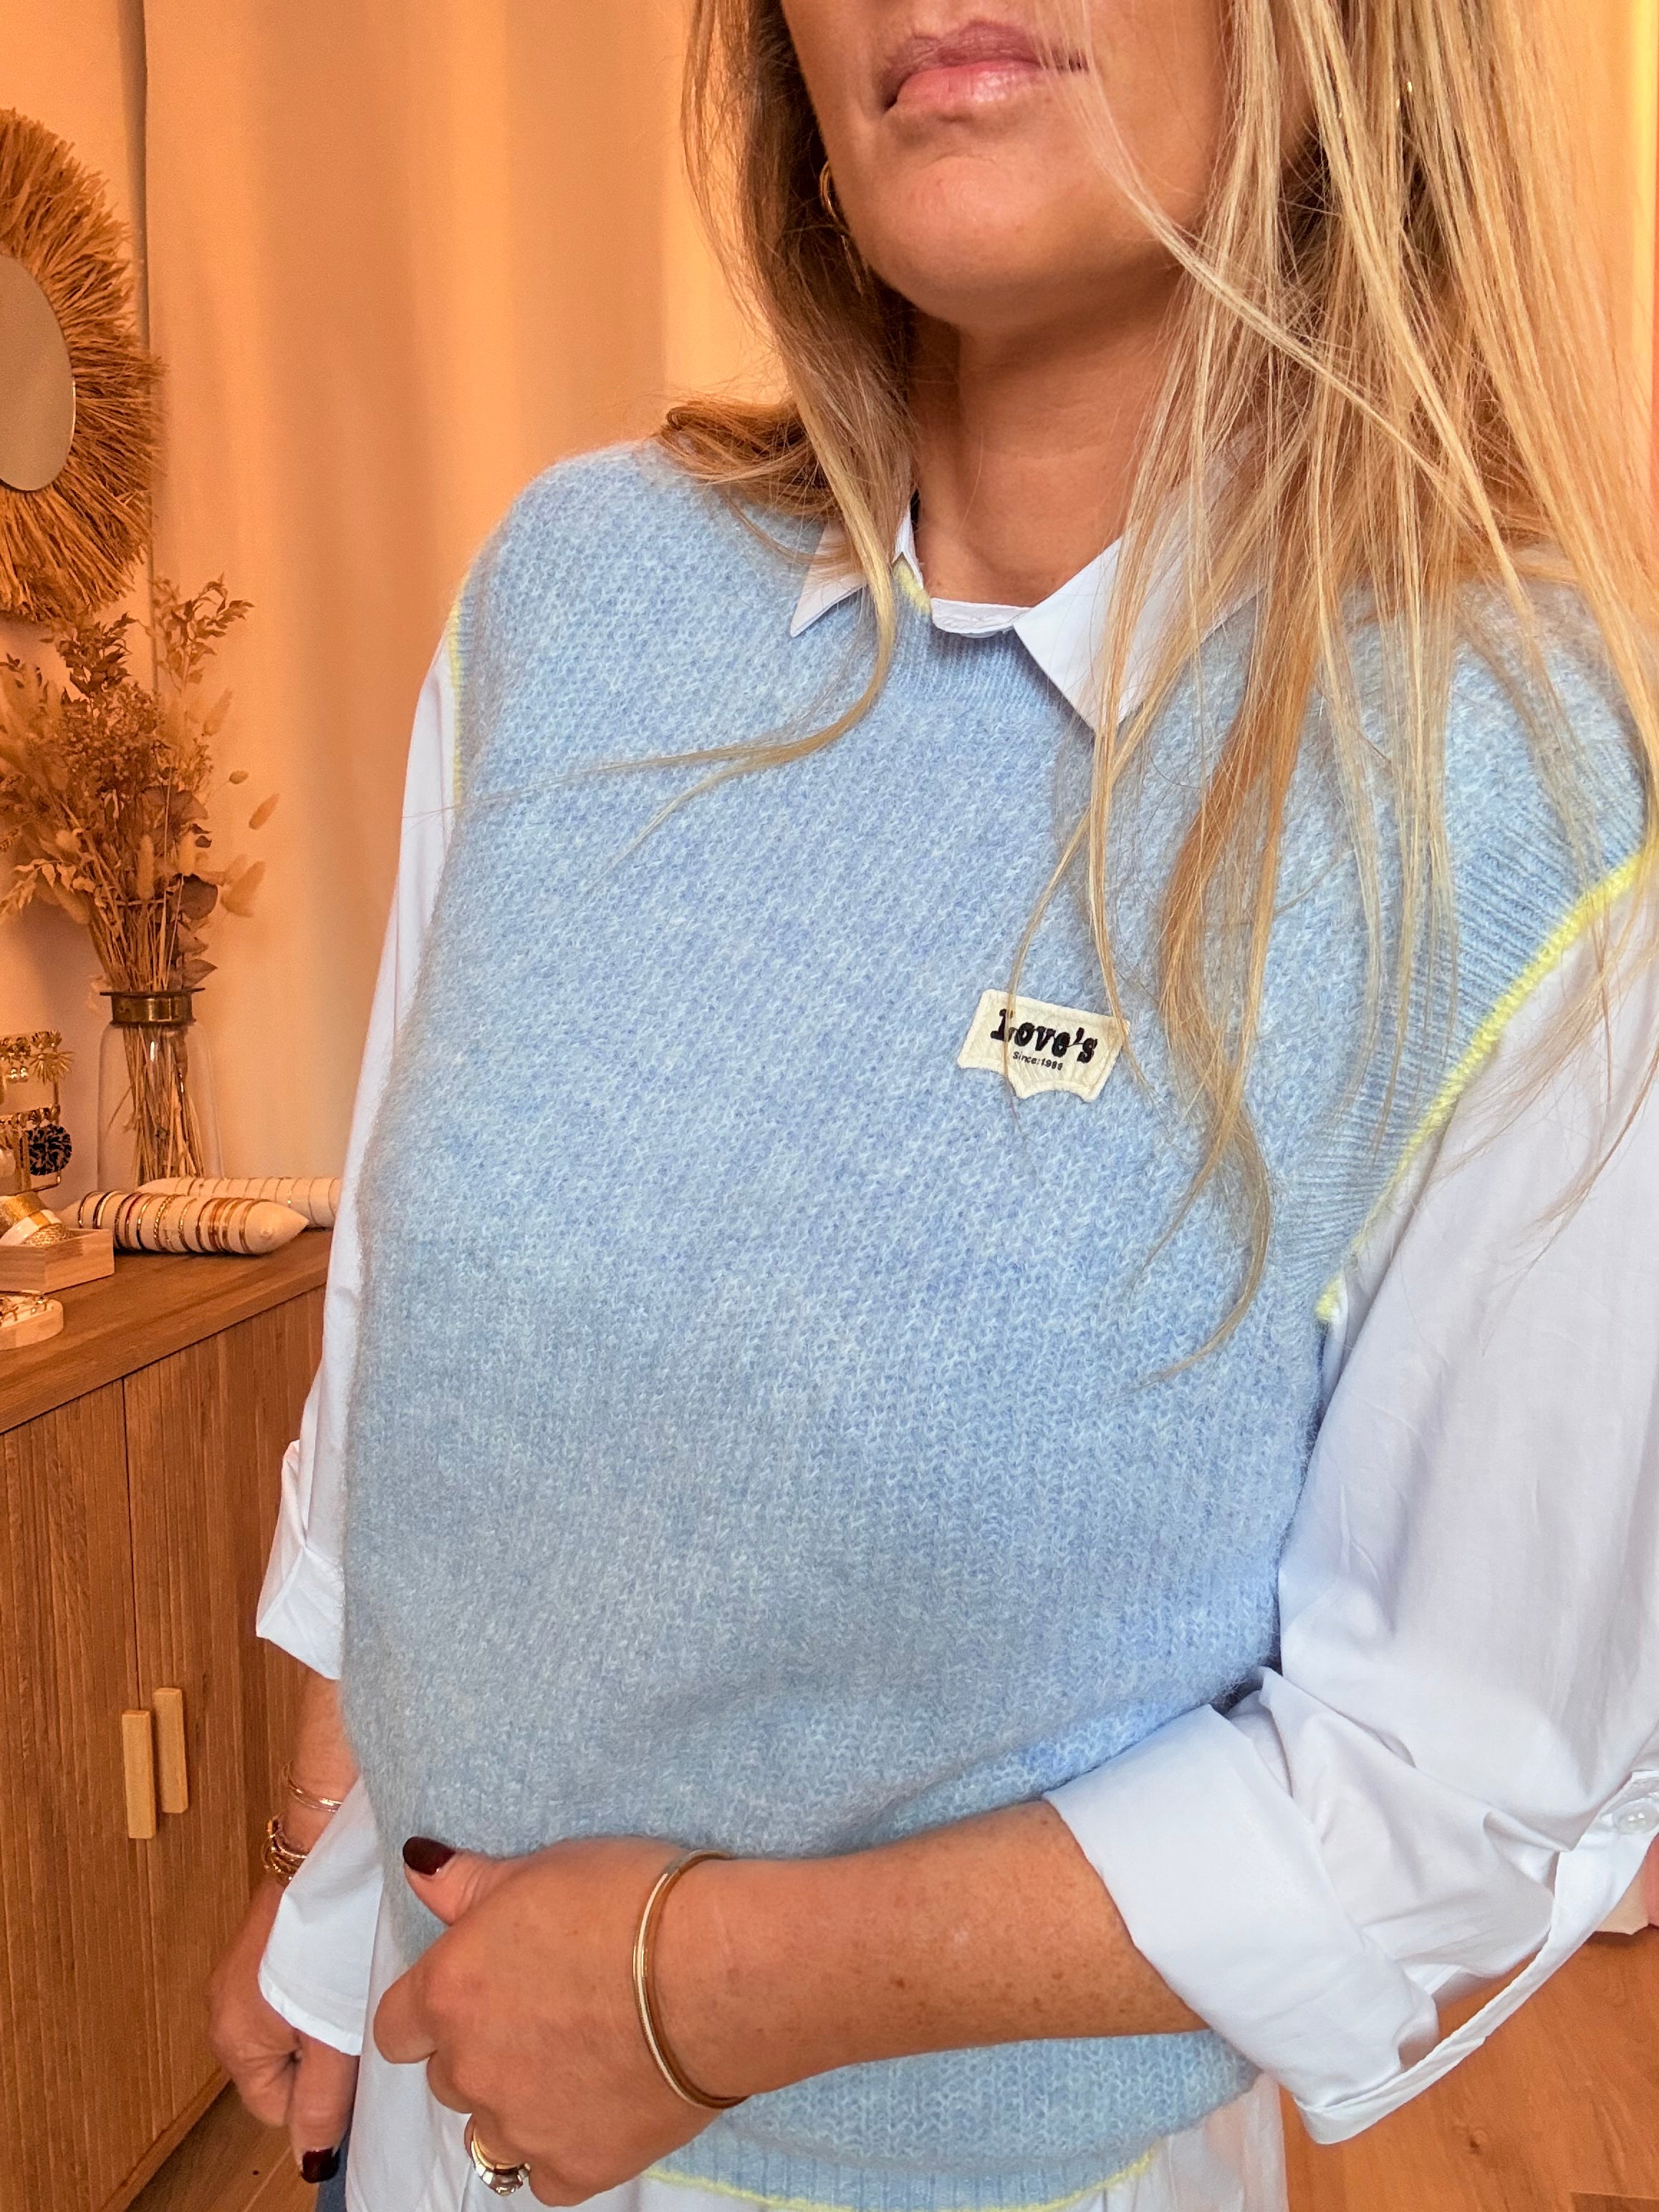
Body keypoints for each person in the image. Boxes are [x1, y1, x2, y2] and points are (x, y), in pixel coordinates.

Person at [208, 2, 1659, 2208]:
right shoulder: (580, 595)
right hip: (431, 2107)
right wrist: (336, 1877)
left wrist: (696, 1995)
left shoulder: (1501, 789)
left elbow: (1456, 1790)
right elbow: (410, 1326)